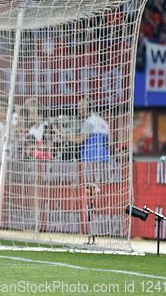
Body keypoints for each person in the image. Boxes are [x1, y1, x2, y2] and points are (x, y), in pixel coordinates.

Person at [55, 97, 110, 244]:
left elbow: (80, 139)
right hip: (104, 161)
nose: (79, 109)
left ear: (88, 107)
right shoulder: (103, 122)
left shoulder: (89, 123)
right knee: (98, 195)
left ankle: (92, 233)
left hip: (91, 161)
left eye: (81, 106)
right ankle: (96, 232)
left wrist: (62, 134)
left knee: (90, 197)